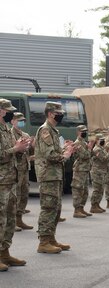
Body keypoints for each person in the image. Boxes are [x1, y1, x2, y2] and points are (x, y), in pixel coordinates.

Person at [34, 101, 74, 254]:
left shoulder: (53, 131)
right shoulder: (45, 130)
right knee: (48, 208)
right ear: (50, 114)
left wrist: (66, 148)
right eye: (59, 113)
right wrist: (66, 155)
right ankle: (43, 242)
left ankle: (51, 238)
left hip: (55, 175)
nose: (61, 115)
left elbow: (54, 151)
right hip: (48, 175)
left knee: (56, 208)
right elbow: (50, 155)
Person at [0, 99, 30, 271]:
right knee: (0, 219)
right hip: (1, 181)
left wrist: (22, 149)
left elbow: (12, 153)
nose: (10, 113)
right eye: (7, 110)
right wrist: (14, 150)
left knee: (10, 218)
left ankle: (5, 252)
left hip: (11, 179)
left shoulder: (6, 129)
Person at [10, 112, 33, 230]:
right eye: (18, 120)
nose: (21, 122)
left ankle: (19, 219)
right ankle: (12, 221)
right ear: (12, 121)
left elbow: (29, 150)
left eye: (22, 120)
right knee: (15, 195)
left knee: (24, 194)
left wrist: (31, 145)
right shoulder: (10, 134)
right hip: (15, 169)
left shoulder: (25, 134)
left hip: (25, 168)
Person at [71, 125, 93, 218]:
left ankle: (81, 208)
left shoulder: (84, 142)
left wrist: (89, 149)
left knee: (85, 191)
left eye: (85, 131)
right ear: (78, 132)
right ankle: (76, 210)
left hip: (85, 170)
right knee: (78, 190)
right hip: (79, 170)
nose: (84, 133)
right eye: (82, 131)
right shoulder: (77, 143)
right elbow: (85, 155)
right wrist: (89, 148)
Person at [90, 133, 109, 213]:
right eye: (100, 140)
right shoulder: (97, 149)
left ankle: (97, 204)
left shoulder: (102, 148)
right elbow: (104, 159)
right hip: (97, 172)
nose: (102, 141)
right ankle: (93, 206)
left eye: (103, 140)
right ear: (97, 140)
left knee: (101, 189)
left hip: (101, 172)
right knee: (97, 189)